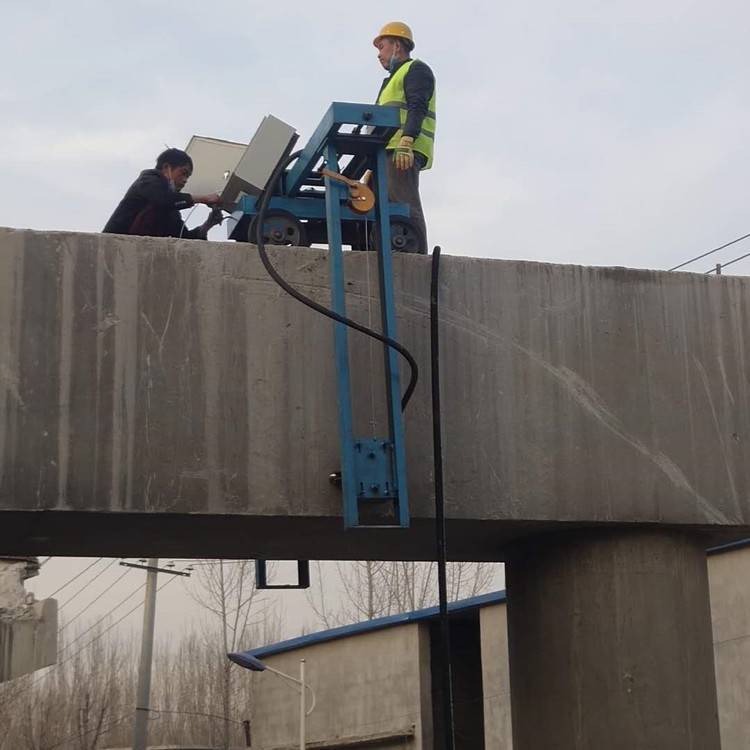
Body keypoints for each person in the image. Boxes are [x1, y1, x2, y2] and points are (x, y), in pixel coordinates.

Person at [373, 21, 436, 253]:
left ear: (397, 45)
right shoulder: (389, 82)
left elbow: (417, 106)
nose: (378, 55)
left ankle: (417, 255)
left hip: (403, 149)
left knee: (404, 203)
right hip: (385, 152)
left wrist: (407, 140)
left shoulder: (416, 70)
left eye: (381, 47)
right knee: (376, 204)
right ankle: (383, 250)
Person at [103, 148, 223, 239]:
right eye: (183, 173)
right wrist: (203, 198)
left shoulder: (170, 207)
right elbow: (164, 200)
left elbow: (183, 237)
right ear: (166, 168)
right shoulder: (148, 180)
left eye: (188, 176)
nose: (185, 180)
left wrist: (208, 224)